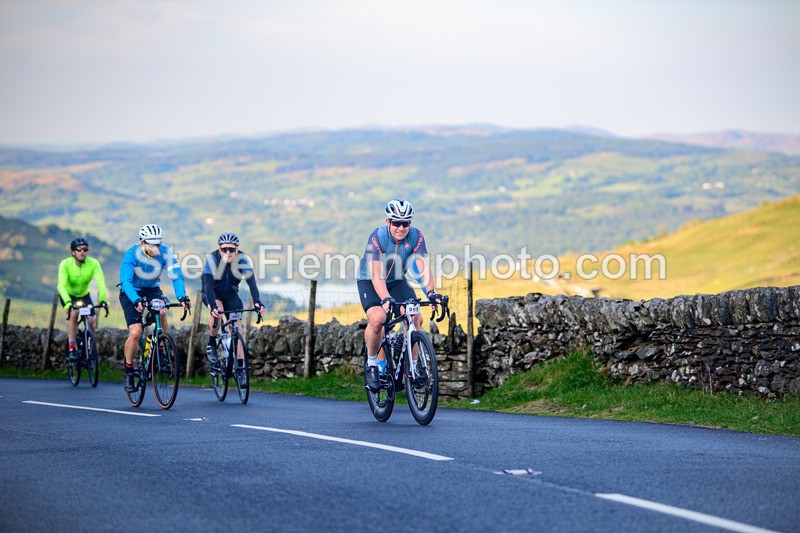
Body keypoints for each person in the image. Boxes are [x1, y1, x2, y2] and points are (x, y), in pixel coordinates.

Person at [357, 199, 445, 392]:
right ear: (388, 222)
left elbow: (423, 268)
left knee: (415, 317)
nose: (400, 227)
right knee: (378, 319)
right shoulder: (377, 236)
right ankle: (374, 365)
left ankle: (412, 368)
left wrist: (431, 292)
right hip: (370, 281)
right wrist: (385, 298)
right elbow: (377, 274)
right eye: (396, 222)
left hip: (397, 280)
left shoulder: (416, 236)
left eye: (405, 223)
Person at [119, 224, 190, 392]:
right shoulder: (131, 254)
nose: (155, 248)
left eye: (158, 244)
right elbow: (126, 282)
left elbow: (176, 276)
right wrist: (136, 300)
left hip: (151, 290)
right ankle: (129, 370)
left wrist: (181, 296)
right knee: (136, 332)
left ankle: (161, 347)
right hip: (131, 292)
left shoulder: (165, 253)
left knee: (163, 310)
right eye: (151, 244)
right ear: (142, 243)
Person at [202, 232, 264, 370]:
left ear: (237, 250)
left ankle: (241, 366)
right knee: (217, 312)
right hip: (213, 292)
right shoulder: (213, 259)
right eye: (224, 249)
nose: (228, 252)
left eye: (231, 249)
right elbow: (208, 285)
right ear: (220, 250)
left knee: (237, 326)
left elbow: (252, 283)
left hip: (230, 294)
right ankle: (212, 343)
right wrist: (213, 306)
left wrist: (257, 301)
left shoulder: (242, 260)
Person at [57, 238, 108, 362]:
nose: (82, 252)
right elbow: (61, 285)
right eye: (79, 249)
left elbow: (101, 283)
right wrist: (68, 303)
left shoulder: (94, 263)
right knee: (74, 314)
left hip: (84, 296)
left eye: (85, 249)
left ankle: (90, 354)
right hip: (69, 296)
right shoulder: (65, 264)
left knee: (92, 322)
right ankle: (71, 348)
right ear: (73, 252)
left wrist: (103, 300)